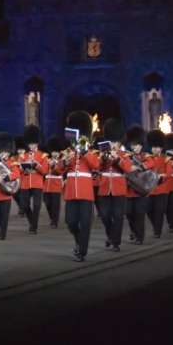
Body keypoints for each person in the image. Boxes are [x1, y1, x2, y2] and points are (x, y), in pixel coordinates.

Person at [63, 111, 102, 262]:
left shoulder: (92, 152)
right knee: (71, 222)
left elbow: (96, 165)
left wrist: (85, 152)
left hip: (86, 192)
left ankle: (82, 251)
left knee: (85, 223)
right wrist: (65, 161)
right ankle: (79, 242)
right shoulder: (68, 152)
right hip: (71, 192)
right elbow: (59, 169)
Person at [95, 119, 133, 252]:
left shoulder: (125, 155)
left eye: (116, 142)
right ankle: (111, 236)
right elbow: (97, 167)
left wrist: (117, 159)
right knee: (104, 215)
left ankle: (115, 242)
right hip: (104, 187)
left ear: (120, 142)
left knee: (118, 215)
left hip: (119, 188)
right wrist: (104, 158)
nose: (114, 144)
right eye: (112, 142)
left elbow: (128, 169)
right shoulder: (102, 154)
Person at [0, 133, 21, 240]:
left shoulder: (12, 162)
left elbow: (16, 174)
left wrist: (5, 178)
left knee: (4, 215)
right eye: (2, 151)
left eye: (6, 152)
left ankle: (2, 233)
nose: (4, 154)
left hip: (5, 193)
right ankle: (2, 227)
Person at [123, 125, 152, 245]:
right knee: (129, 213)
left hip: (140, 191)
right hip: (129, 191)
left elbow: (151, 163)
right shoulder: (126, 156)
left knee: (139, 214)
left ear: (141, 145)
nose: (135, 147)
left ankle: (139, 237)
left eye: (137, 145)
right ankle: (134, 232)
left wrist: (139, 166)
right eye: (133, 145)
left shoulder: (146, 156)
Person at [17, 125, 48, 234]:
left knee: (37, 205)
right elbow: (18, 170)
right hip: (25, 182)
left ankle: (33, 226)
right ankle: (32, 222)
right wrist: (22, 168)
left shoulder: (43, 156)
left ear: (37, 143)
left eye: (33, 143)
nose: (32, 146)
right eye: (30, 144)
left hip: (37, 182)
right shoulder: (22, 156)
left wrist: (36, 166)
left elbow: (44, 171)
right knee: (24, 206)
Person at [43, 137, 66, 228]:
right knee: (47, 203)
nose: (54, 153)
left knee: (55, 205)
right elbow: (44, 172)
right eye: (53, 152)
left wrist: (54, 166)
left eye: (56, 152)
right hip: (47, 185)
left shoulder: (61, 160)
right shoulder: (47, 159)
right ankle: (52, 218)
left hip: (56, 185)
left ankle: (54, 222)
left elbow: (60, 172)